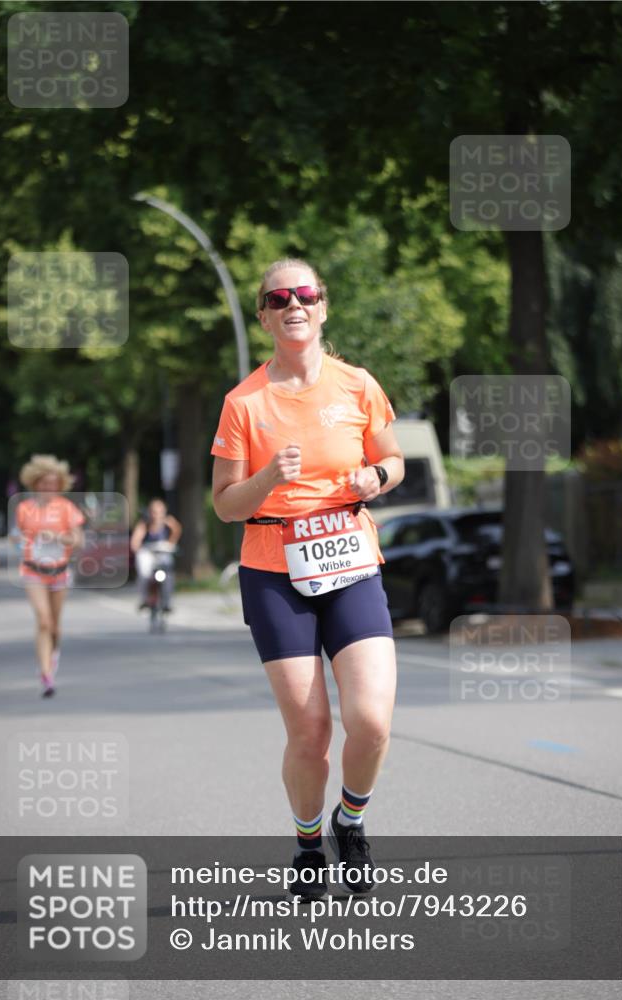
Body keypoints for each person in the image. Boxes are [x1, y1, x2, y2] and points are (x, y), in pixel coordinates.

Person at [212, 258, 404, 900]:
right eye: (278, 297)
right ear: (264, 315)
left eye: (305, 294)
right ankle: (306, 843)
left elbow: (394, 458)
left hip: (350, 563)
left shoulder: (357, 385)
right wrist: (270, 478)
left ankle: (350, 819)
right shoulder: (244, 402)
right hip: (274, 570)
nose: (293, 303)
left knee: (371, 720)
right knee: (311, 731)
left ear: (322, 306)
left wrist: (375, 478)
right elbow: (225, 503)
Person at [14, 455, 85, 697]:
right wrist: (20, 541)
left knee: (54, 626)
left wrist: (58, 537)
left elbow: (78, 540)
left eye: (53, 483)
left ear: (60, 485)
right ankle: (45, 674)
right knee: (43, 620)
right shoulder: (24, 508)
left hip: (60, 570)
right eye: (44, 483)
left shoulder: (66, 508)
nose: (49, 488)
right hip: (33, 570)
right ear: (35, 483)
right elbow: (18, 537)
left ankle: (53, 653)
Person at [130, 499, 182, 612]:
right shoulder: (145, 524)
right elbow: (136, 540)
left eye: (160, 512)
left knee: (168, 573)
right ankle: (144, 599)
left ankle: (167, 602)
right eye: (154, 512)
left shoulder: (169, 522)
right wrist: (137, 548)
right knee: (143, 573)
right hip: (147, 552)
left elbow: (177, 531)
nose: (157, 515)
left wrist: (171, 543)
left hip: (163, 551)